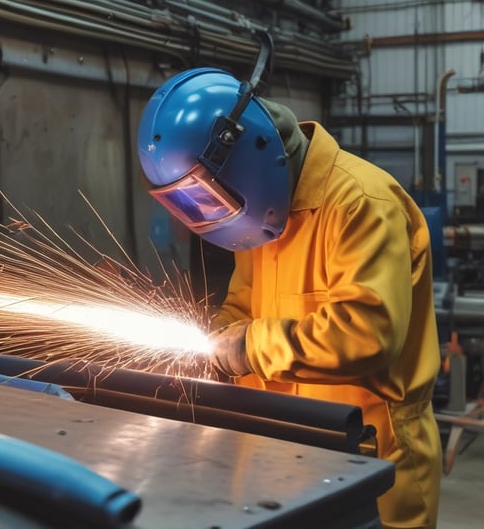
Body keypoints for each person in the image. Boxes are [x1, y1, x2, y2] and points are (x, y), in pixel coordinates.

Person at [137, 67, 442, 528]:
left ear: (247, 158)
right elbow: (241, 309)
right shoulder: (261, 216)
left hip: (372, 456)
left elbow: (366, 334)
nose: (209, 215)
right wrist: (214, 346)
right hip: (284, 446)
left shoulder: (361, 203)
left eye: (210, 197)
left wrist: (244, 348)